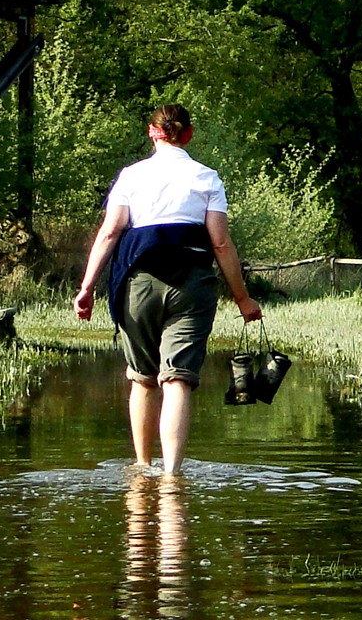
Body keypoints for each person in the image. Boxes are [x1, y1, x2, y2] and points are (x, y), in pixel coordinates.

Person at [75, 104, 261, 474]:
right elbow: (221, 244)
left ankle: (143, 469)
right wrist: (243, 299)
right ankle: (172, 474)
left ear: (151, 132)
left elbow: (111, 232)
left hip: (137, 285)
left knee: (143, 379)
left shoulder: (131, 176)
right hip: (192, 284)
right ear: (188, 134)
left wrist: (87, 287)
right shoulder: (207, 178)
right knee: (177, 378)